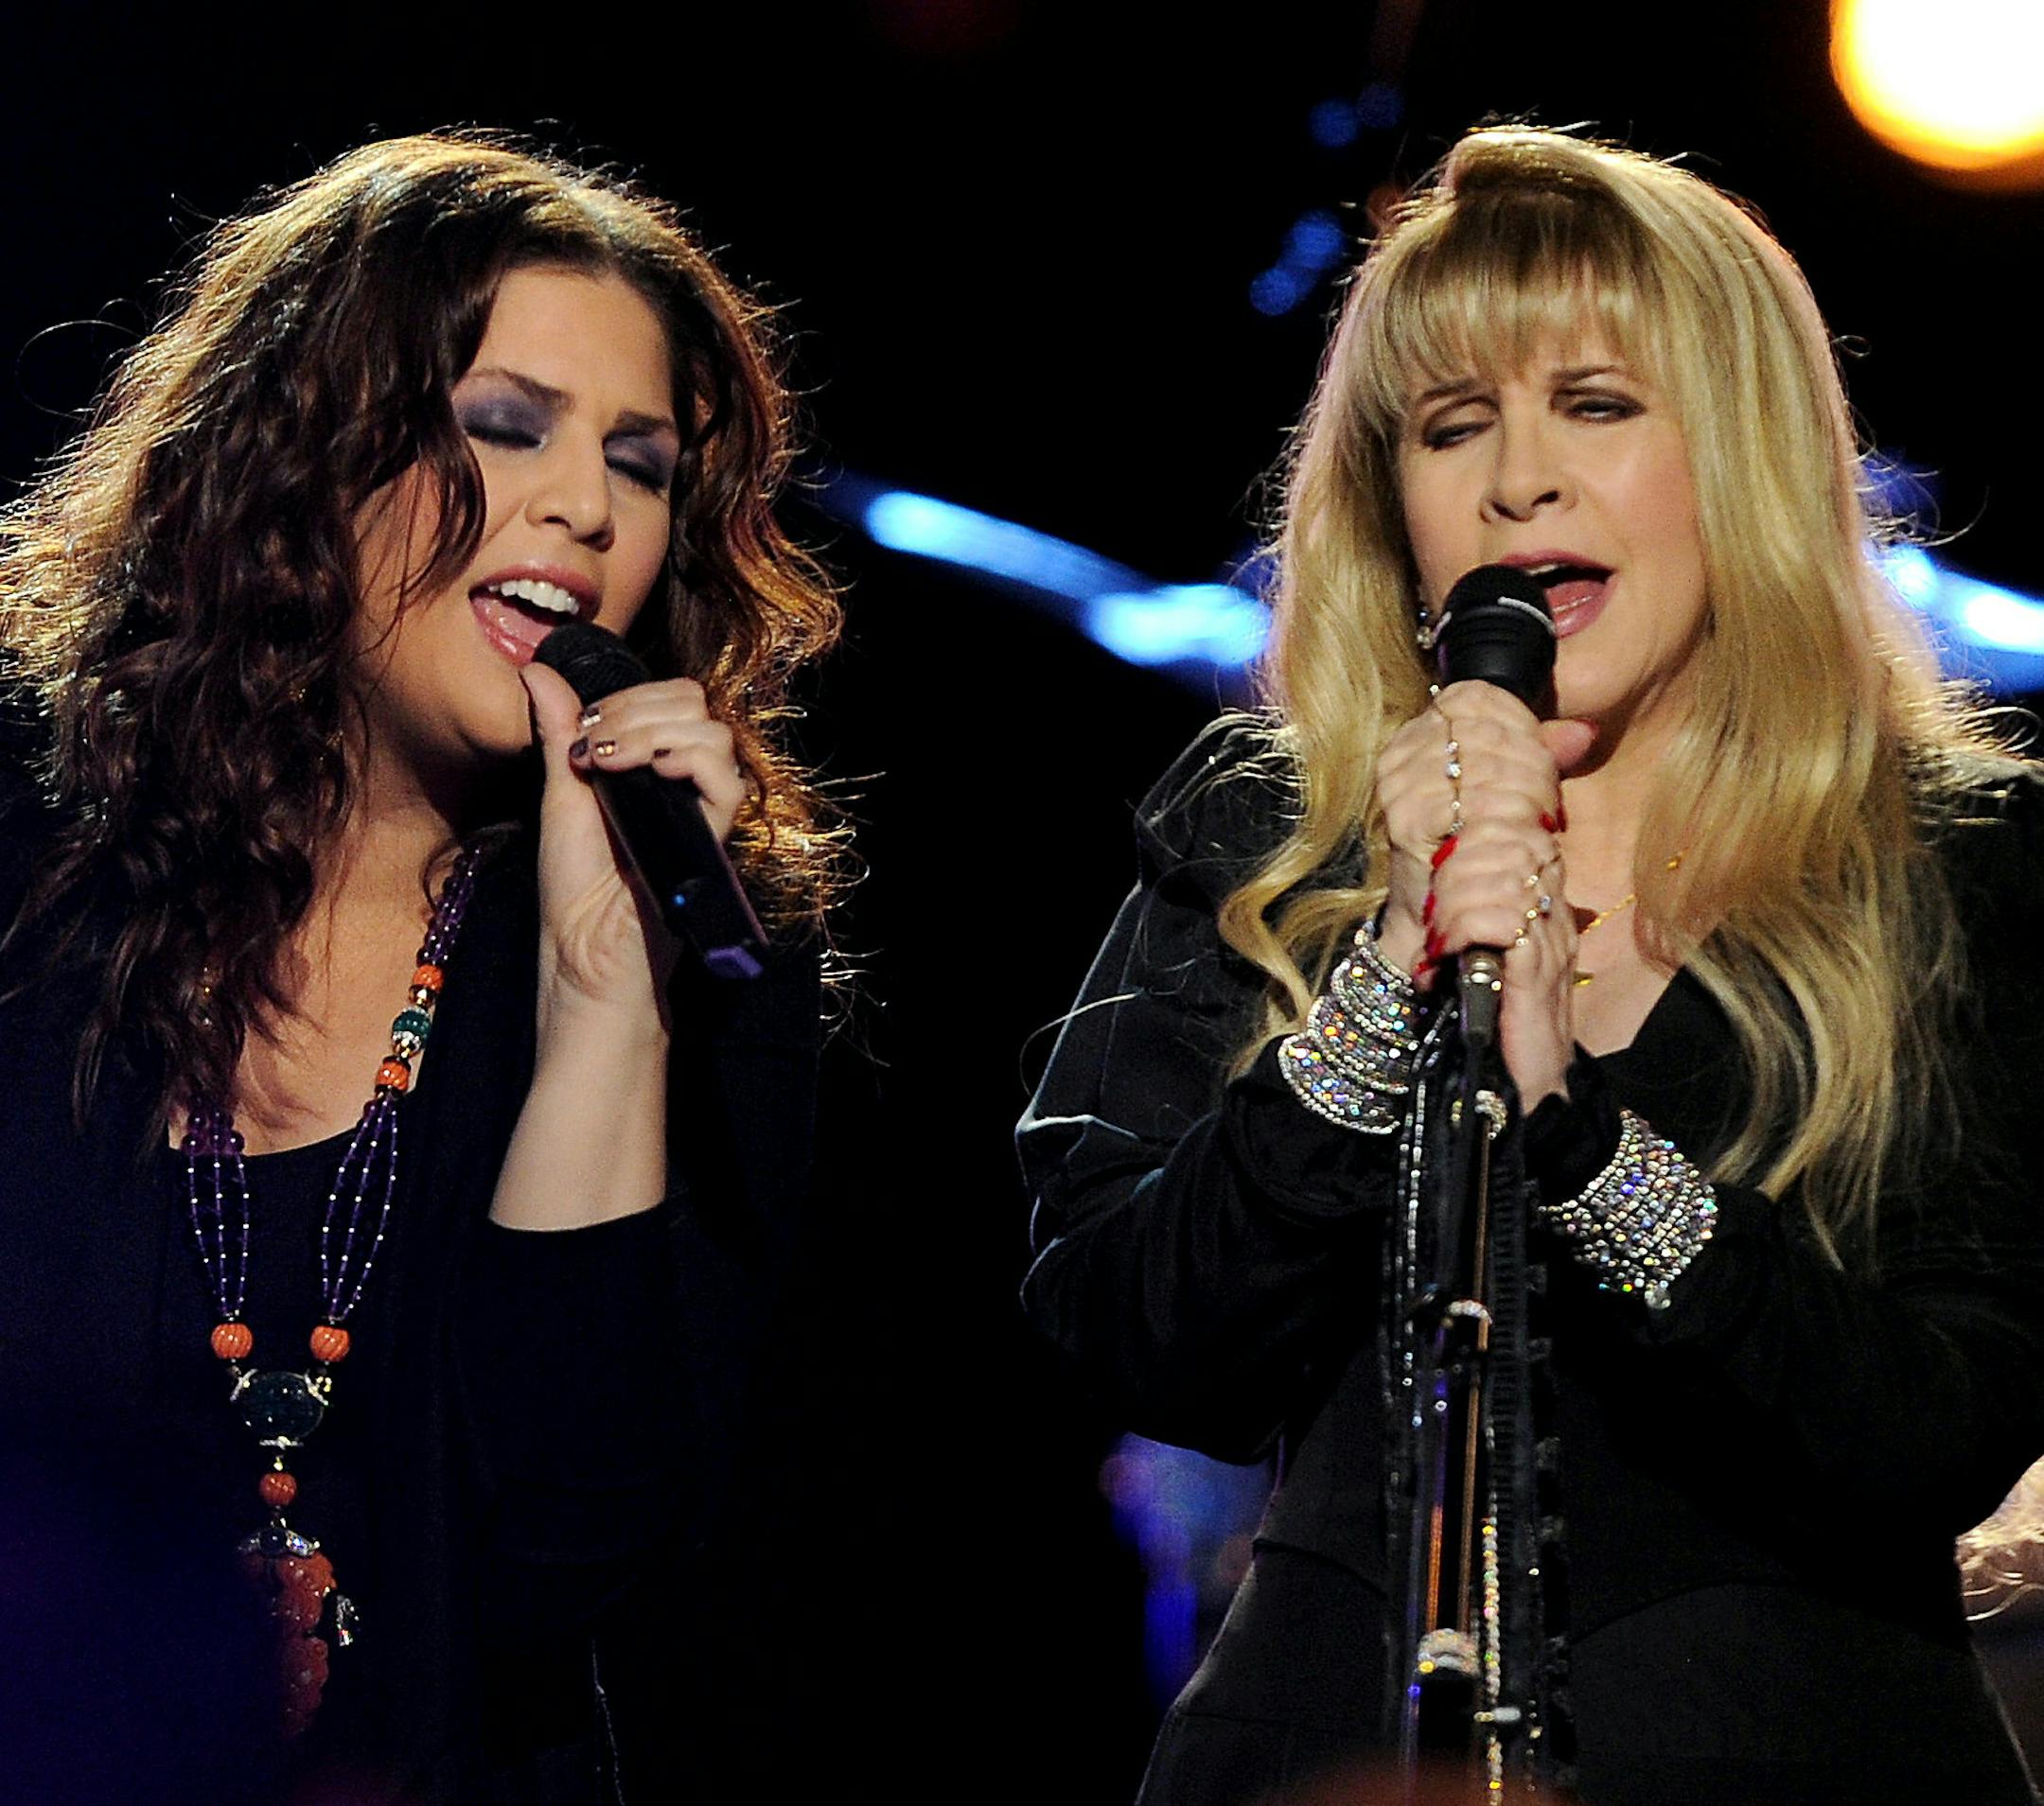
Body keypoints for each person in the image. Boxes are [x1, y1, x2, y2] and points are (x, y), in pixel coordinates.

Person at [1018, 126, 2044, 1805]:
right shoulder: (1267, 835)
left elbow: (1936, 1419)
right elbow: (1130, 1336)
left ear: (1743, 455)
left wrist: (1576, 1138)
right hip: (1320, 1753)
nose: (1516, 482)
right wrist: (1380, 994)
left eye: (1597, 402)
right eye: (1450, 426)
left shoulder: (1956, 860)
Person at [0, 133, 840, 1803]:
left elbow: (558, 1562)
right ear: (306, 454)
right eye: (503, 426)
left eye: (644, 463)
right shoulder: (39, 886)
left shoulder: (707, 956)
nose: (587, 506)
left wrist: (607, 994)